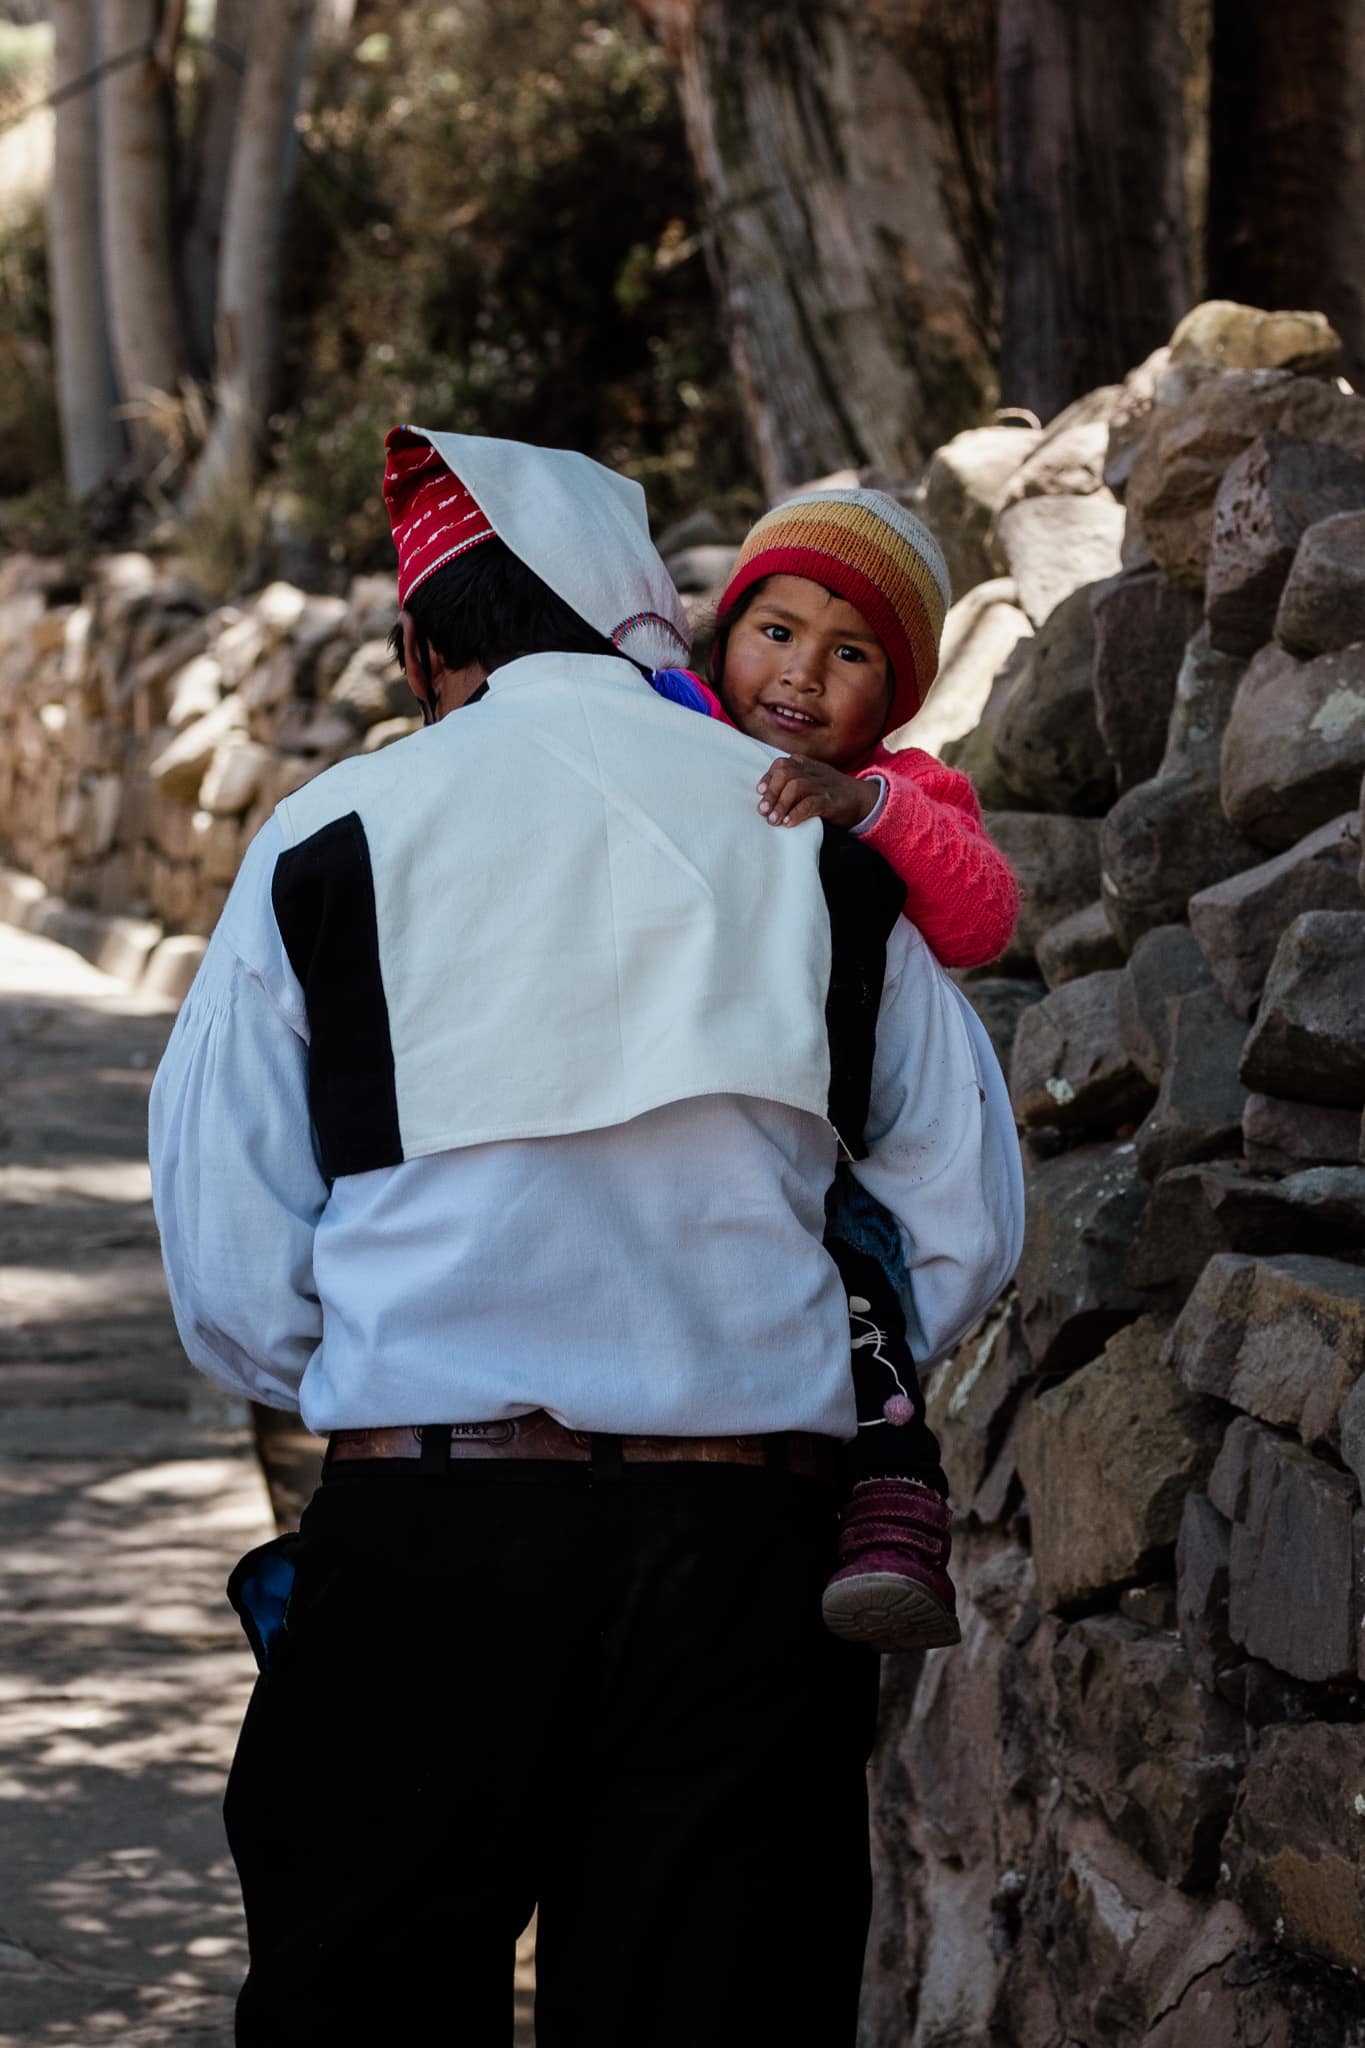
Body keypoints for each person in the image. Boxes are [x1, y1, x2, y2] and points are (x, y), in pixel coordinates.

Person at [150, 425, 1024, 2047]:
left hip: (422, 1548)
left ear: (426, 647)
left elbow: (231, 1280)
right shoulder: (822, 839)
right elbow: (963, 1223)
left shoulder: (329, 836)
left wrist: (407, 1370)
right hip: (742, 1575)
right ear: (650, 618)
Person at [649, 489, 1019, 1650]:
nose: (801, 674)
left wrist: (866, 811)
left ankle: (895, 1516)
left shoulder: (912, 795)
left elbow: (984, 915)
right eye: (777, 630)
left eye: (849, 651)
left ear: (895, 696)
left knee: (858, 1283)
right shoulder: (675, 722)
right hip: (674, 1097)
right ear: (724, 634)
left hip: (824, 1127)